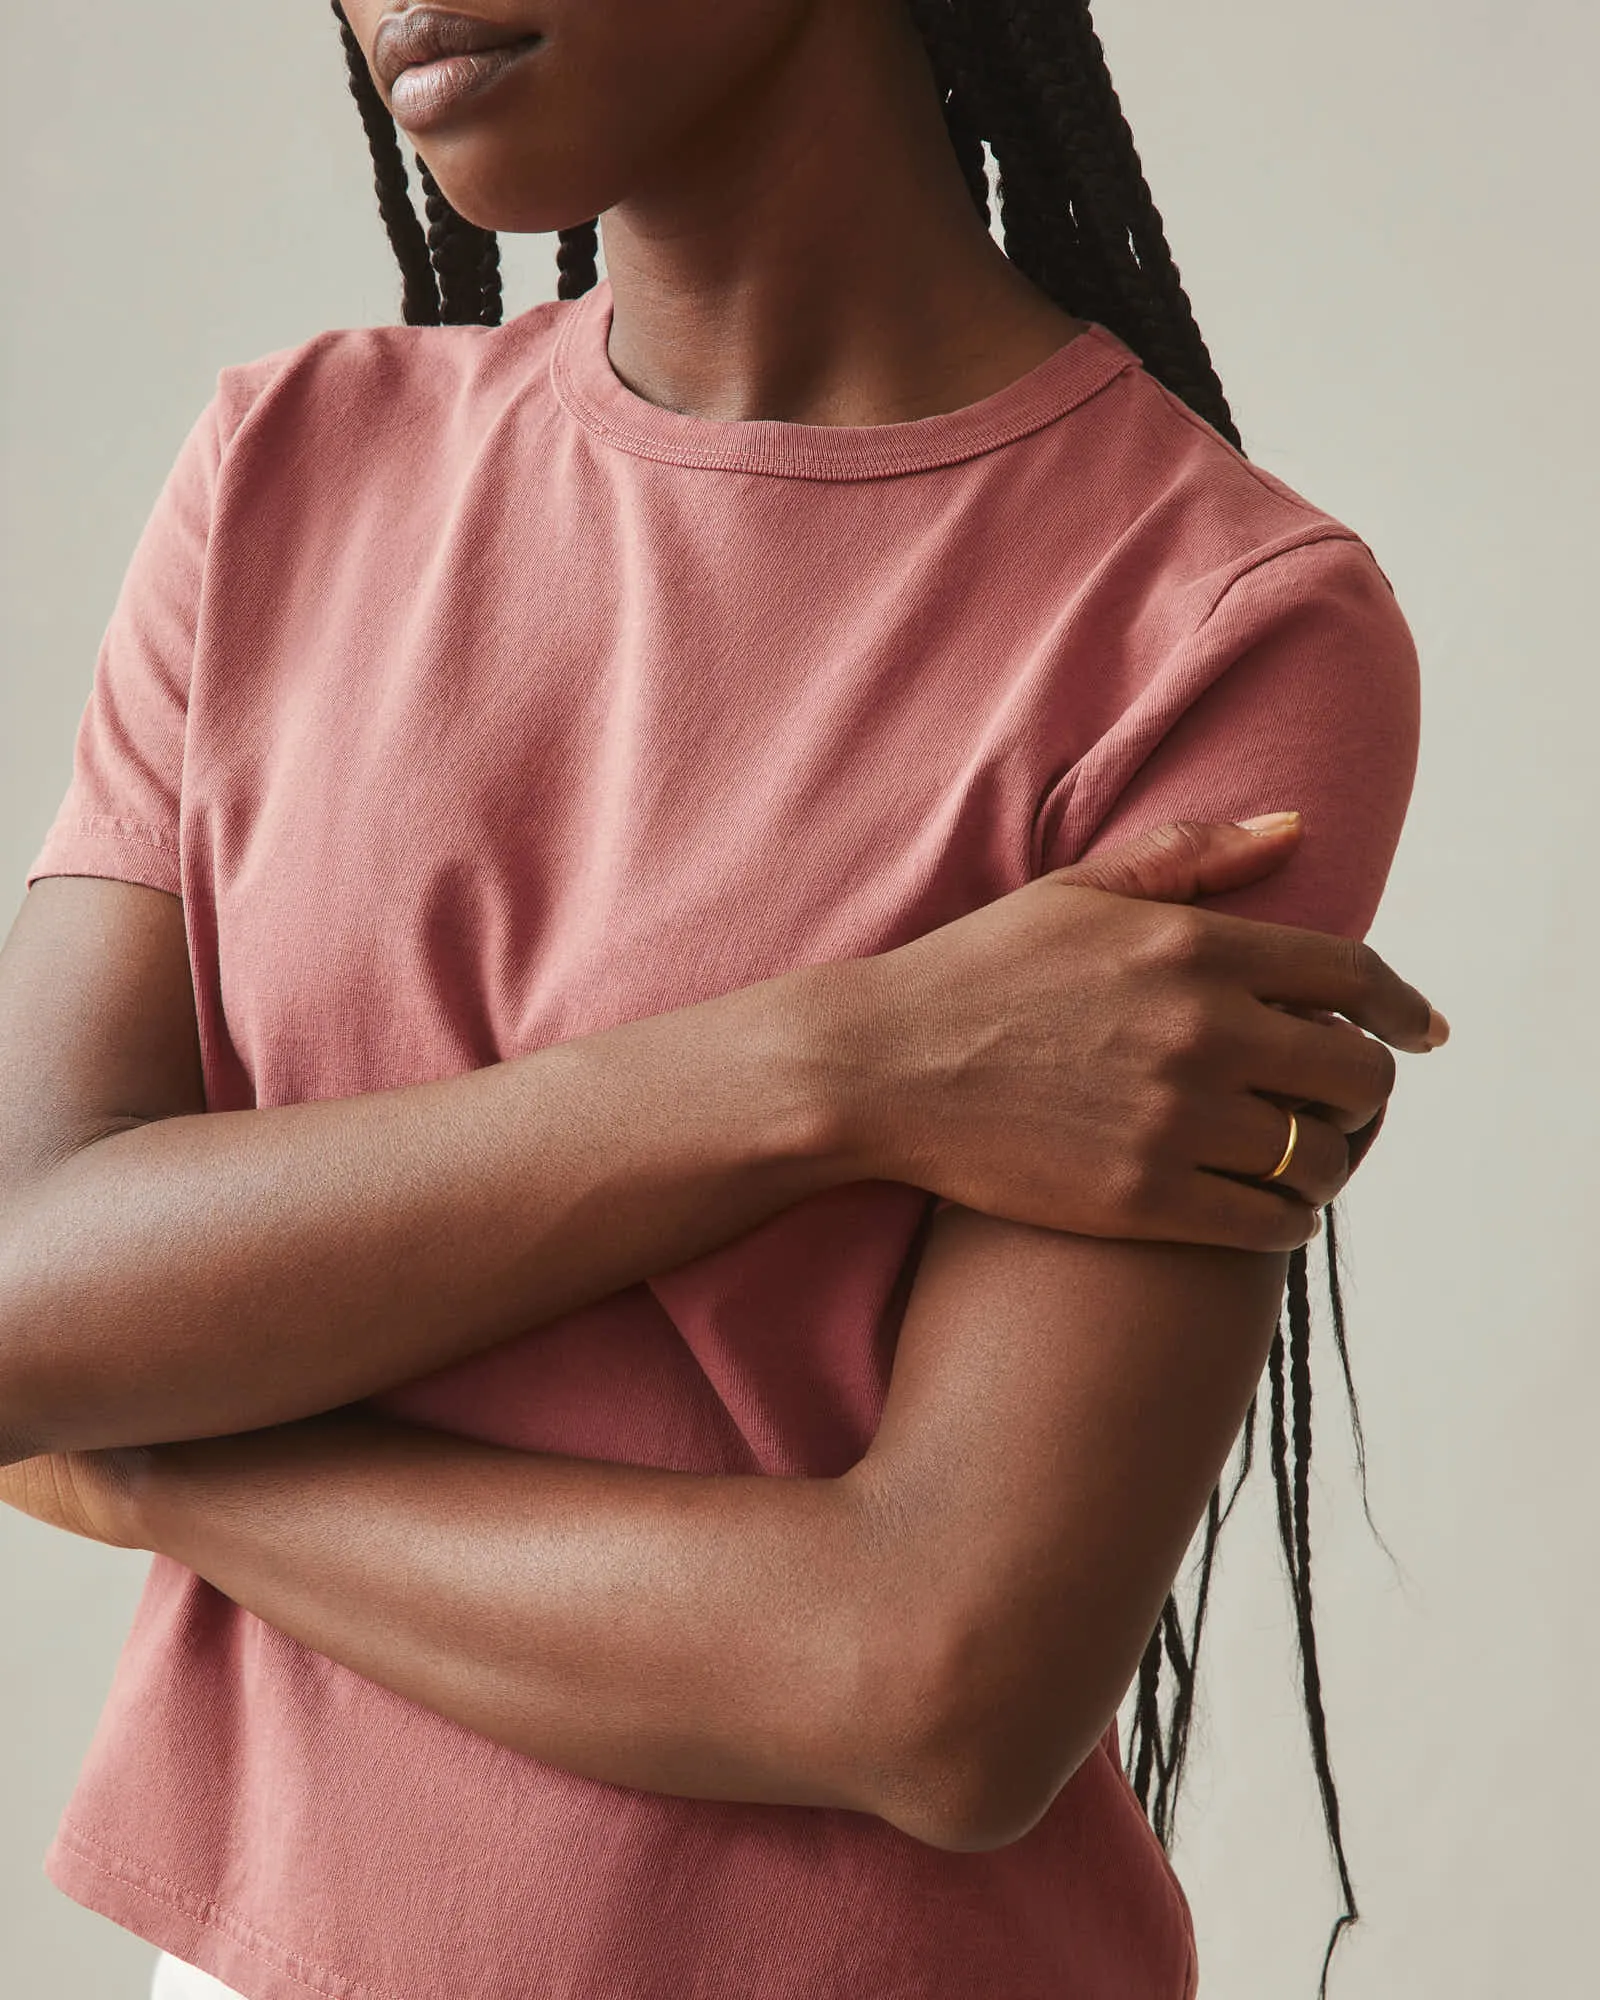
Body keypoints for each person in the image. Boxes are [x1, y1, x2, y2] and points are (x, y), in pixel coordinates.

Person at [0, 2, 1449, 1997]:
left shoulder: (1214, 627)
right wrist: (837, 1067)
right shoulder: (280, 476)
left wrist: (155, 1455)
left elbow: (929, 1681)